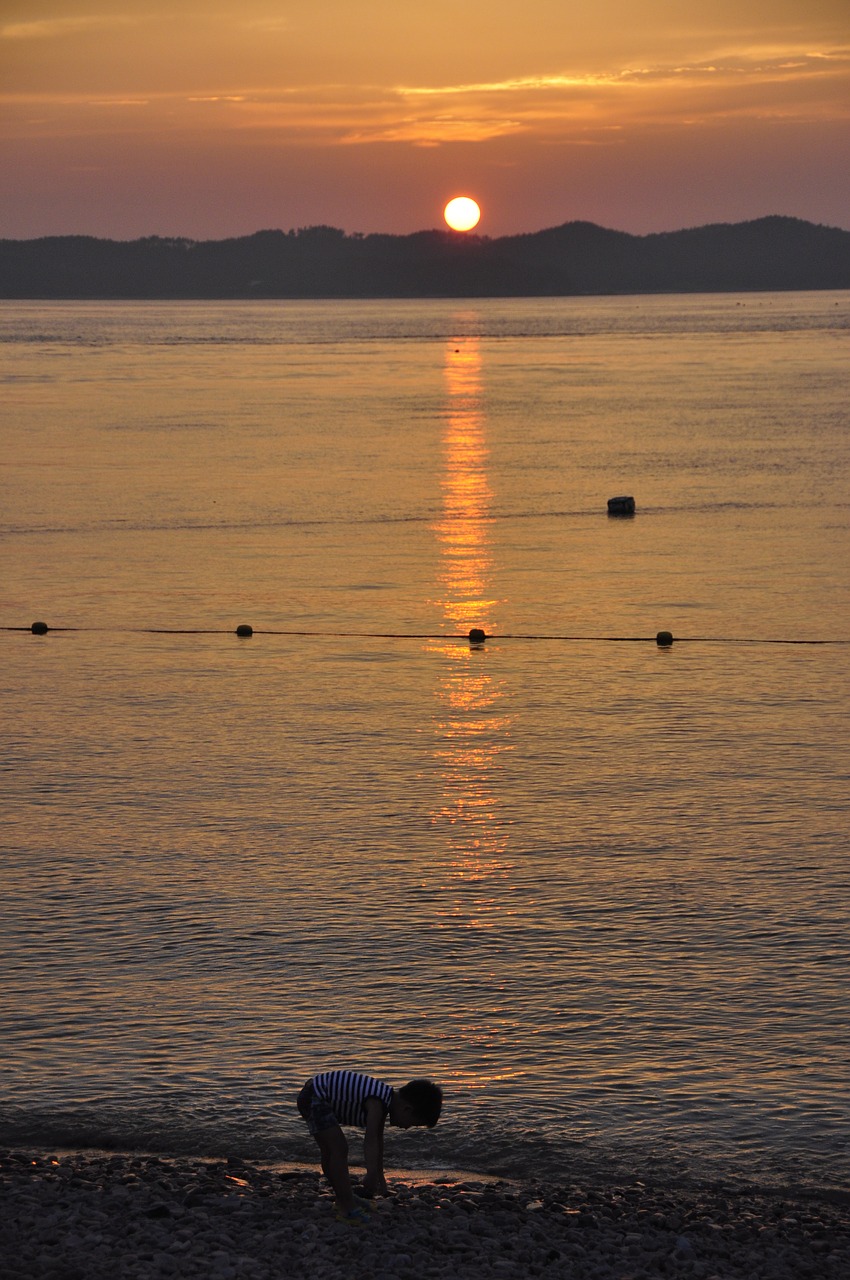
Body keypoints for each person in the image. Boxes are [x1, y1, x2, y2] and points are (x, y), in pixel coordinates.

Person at [297, 1069, 443, 1224]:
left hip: (314, 1094)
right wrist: (371, 1173)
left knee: (330, 1151)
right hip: (315, 1096)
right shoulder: (377, 1102)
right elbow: (370, 1139)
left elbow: (378, 1142)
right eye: (411, 1123)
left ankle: (343, 1198)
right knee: (338, 1149)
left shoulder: (383, 1100)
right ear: (406, 1109)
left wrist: (380, 1176)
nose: (406, 1127)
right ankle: (347, 1207)